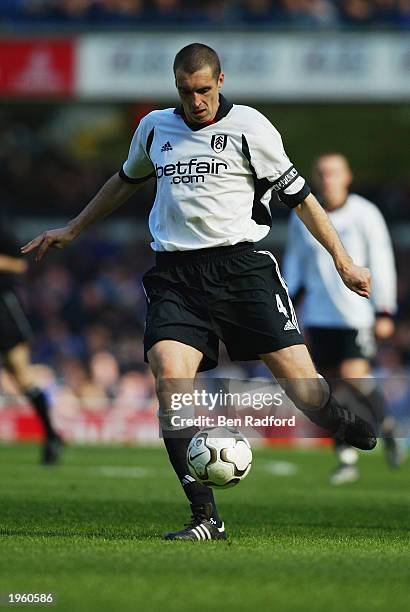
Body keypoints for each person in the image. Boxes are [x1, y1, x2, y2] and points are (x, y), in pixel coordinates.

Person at [22, 43, 376, 540]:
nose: (196, 102)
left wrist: (343, 260)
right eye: (186, 92)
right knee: (170, 381)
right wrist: (74, 228)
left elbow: (303, 199)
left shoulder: (252, 128)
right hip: (176, 276)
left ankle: (341, 422)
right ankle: (205, 515)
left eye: (204, 91)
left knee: (307, 392)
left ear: (221, 81)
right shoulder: (154, 128)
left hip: (243, 270)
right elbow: (125, 179)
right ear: (176, 88)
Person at [283, 153, 404, 484]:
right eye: (321, 173)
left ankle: (387, 425)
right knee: (330, 387)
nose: (326, 179)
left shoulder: (365, 214)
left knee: (355, 377)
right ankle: (346, 456)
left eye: (333, 173)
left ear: (347, 176)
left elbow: (381, 260)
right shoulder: (303, 213)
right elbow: (296, 260)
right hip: (318, 316)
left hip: (355, 314)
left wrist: (384, 309)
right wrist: (288, 300)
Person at [0, 219, 63, 465]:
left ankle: (50, 434)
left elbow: (20, 265)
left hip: (4, 307)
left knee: (21, 376)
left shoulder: (4, 233)